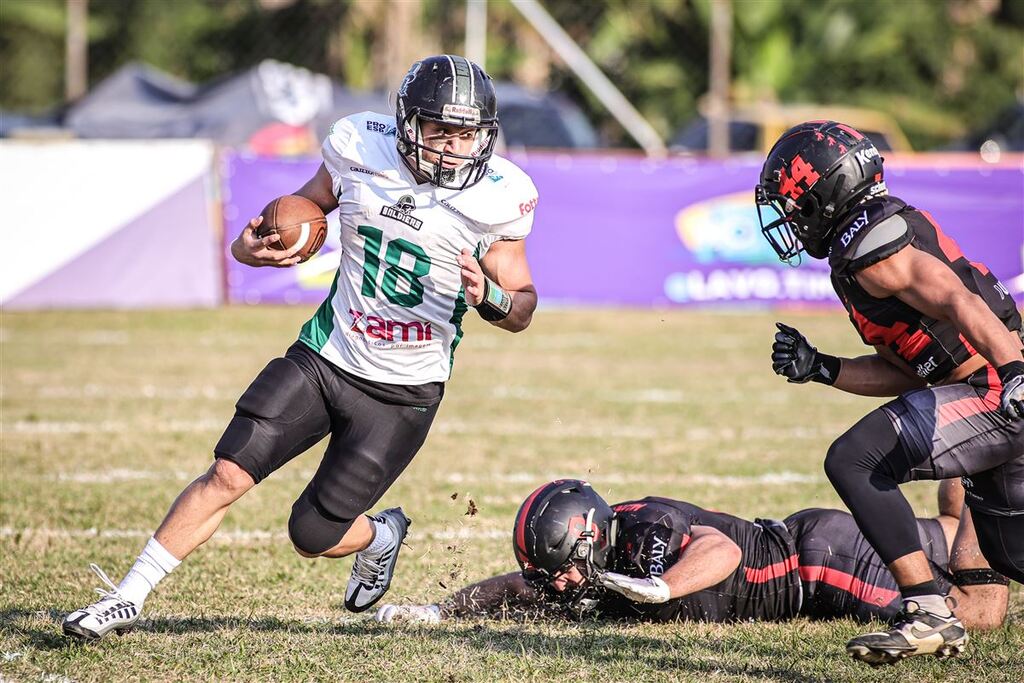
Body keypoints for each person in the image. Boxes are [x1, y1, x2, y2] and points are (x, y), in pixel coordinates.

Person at [62, 54, 539, 641]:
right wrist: (252, 246)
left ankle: (380, 535)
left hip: (403, 390)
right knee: (229, 471)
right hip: (327, 353)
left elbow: (521, 304)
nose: (451, 148)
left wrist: (491, 296)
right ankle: (125, 598)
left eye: (465, 134)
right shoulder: (361, 146)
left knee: (312, 535)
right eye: (438, 130)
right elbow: (298, 214)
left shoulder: (499, 196)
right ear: (407, 124)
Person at [754, 120, 1023, 665]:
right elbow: (909, 370)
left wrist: (1016, 371)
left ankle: (928, 610)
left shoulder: (872, 245)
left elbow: (955, 298)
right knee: (1011, 552)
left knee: (855, 459)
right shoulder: (864, 244)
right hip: (978, 387)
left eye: (795, 201)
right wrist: (823, 367)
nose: (790, 216)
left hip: (994, 389)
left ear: (827, 191)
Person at [374, 479, 1009, 637]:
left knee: (969, 612)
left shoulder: (645, 526)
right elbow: (518, 587)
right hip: (816, 543)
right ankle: (978, 457)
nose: (561, 583)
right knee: (954, 530)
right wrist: (434, 609)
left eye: (564, 565)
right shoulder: (581, 564)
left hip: (816, 563)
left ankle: (988, 450)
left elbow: (721, 548)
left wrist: (663, 588)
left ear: (588, 536)